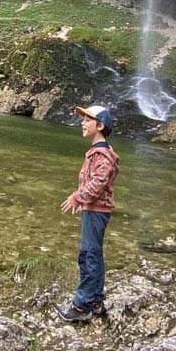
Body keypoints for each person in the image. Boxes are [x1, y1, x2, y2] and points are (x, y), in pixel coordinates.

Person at [55, 104, 120, 322]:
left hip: (96, 211)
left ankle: (82, 307)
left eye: (87, 120)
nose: (82, 123)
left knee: (89, 256)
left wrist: (77, 196)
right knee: (93, 255)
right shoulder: (97, 153)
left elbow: (99, 182)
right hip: (94, 210)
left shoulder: (103, 156)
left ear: (100, 126)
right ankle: (96, 301)